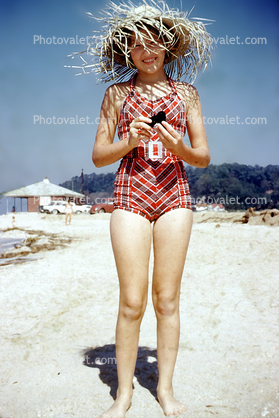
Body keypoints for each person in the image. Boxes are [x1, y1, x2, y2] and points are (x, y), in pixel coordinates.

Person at [80, 1, 212, 416]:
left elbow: (203, 156)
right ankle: (123, 394)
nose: (146, 51)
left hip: (175, 194)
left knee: (167, 299)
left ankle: (166, 391)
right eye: (136, 44)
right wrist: (130, 141)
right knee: (131, 302)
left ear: (169, 47)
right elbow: (100, 155)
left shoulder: (186, 94)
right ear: (127, 51)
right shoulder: (116, 94)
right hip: (130, 194)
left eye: (154, 43)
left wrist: (178, 147)